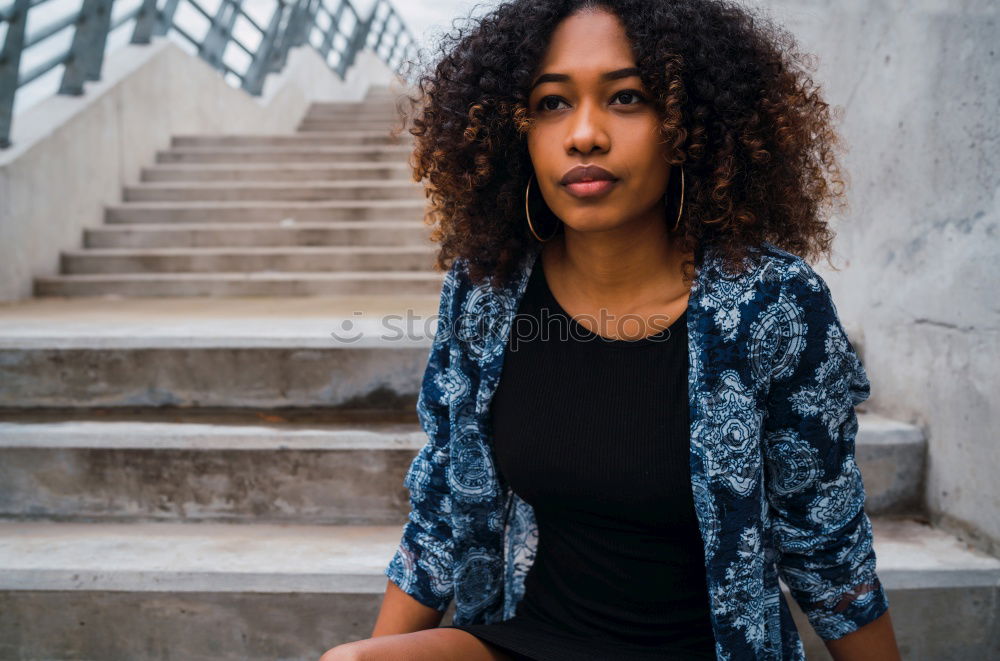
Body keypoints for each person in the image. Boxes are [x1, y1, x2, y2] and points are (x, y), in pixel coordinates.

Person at [320, 0, 902, 659]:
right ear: (517, 131)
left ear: (689, 125)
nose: (585, 134)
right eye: (551, 103)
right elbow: (440, 520)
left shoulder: (772, 303)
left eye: (627, 98)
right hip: (534, 638)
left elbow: (827, 546)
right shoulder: (486, 292)